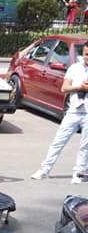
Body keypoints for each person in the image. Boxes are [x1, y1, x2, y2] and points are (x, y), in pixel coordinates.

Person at [31, 42, 88, 184]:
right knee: (59, 141)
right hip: (74, 110)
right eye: (87, 54)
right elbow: (64, 88)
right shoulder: (75, 68)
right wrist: (79, 87)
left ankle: (79, 172)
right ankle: (45, 169)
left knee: (85, 144)